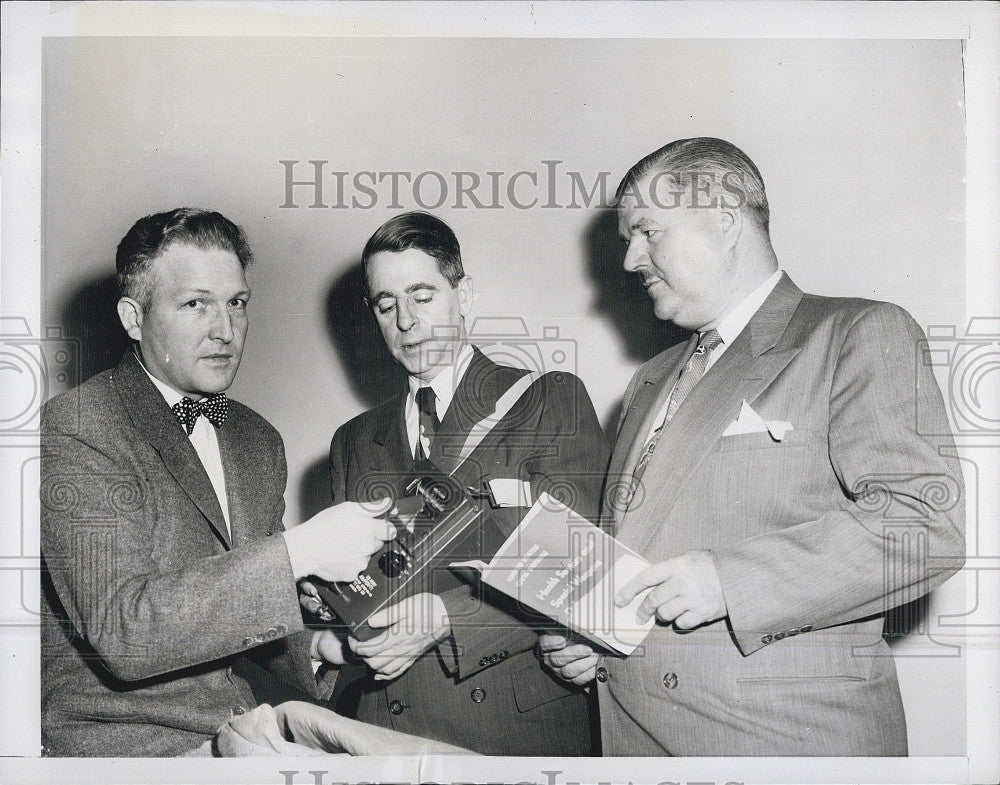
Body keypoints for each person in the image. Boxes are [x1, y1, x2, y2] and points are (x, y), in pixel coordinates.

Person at [540, 138, 966, 756]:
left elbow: (924, 527)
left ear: (725, 218)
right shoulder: (649, 381)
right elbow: (644, 554)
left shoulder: (857, 333)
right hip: (637, 743)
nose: (631, 259)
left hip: (784, 745)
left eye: (647, 232)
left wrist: (729, 580)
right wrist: (593, 631)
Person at [40, 208, 397, 757]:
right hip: (128, 750)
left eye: (236, 303)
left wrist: (324, 648)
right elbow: (124, 633)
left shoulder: (255, 437)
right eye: (195, 304)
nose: (225, 330)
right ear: (133, 318)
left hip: (241, 734)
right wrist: (300, 550)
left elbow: (241, 610)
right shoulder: (80, 426)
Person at [308, 211, 610, 755]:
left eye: (422, 296)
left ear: (462, 294)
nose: (405, 321)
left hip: (510, 733)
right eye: (385, 304)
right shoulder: (352, 441)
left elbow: (580, 578)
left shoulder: (547, 400)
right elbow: (360, 589)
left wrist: (447, 619)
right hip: (384, 733)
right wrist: (319, 598)